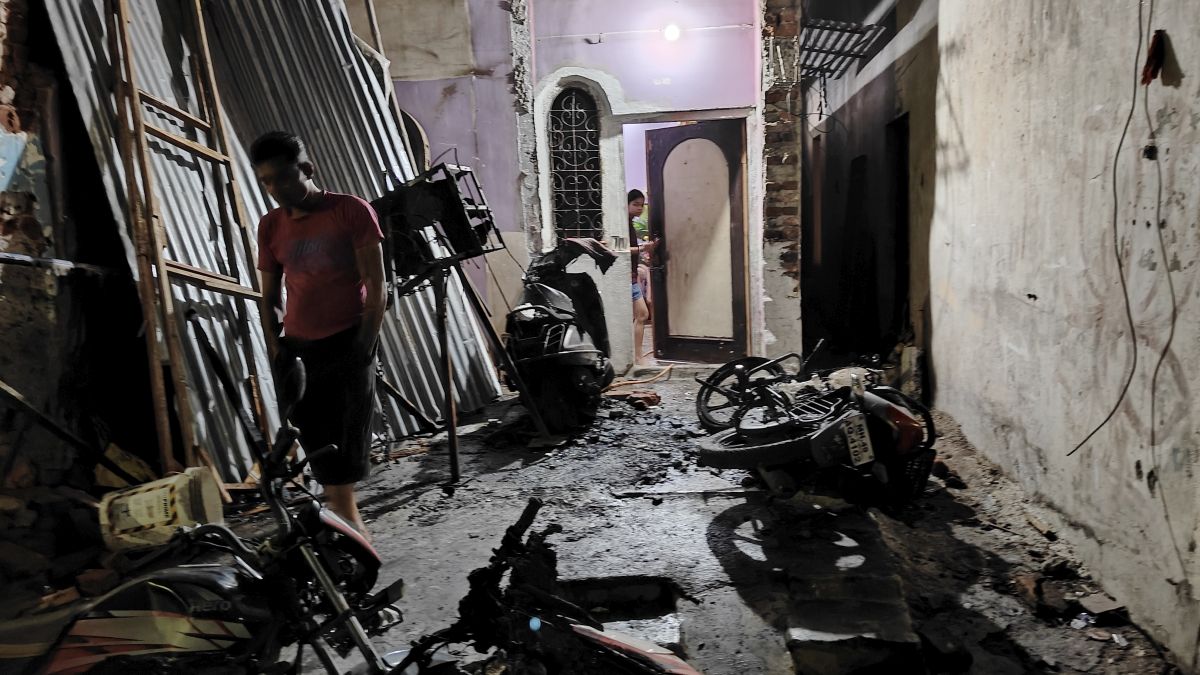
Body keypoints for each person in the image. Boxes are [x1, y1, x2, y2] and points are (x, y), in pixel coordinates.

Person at [252, 131, 386, 537]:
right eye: (267, 182)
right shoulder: (270, 226)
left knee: (345, 445)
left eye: (283, 178)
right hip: (298, 350)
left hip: (346, 342)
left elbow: (377, 286)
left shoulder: (351, 212)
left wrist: (363, 346)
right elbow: (270, 295)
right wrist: (276, 346)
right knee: (314, 440)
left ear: (307, 170)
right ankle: (345, 528)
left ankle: (350, 528)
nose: (276, 189)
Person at [627, 189, 657, 364]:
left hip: (631, 278)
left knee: (642, 314)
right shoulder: (623, 224)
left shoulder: (630, 223)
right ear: (627, 204)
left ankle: (637, 357)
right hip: (625, 279)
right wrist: (643, 248)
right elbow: (620, 250)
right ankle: (636, 357)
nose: (639, 208)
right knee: (642, 314)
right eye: (635, 204)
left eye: (641, 205)